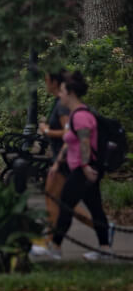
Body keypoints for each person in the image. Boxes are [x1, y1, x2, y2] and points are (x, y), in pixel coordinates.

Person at [30, 71, 114, 261]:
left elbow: (85, 143)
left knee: (66, 206)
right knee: (94, 208)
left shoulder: (81, 116)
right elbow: (72, 141)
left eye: (62, 91)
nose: (60, 95)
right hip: (82, 168)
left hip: (83, 169)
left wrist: (84, 167)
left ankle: (56, 247)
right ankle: (105, 248)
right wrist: (59, 160)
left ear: (70, 93)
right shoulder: (76, 115)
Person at [37, 70, 95, 232]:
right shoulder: (59, 103)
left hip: (65, 159)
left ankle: (52, 238)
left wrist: (47, 131)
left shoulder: (61, 107)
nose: (45, 82)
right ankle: (102, 228)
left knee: (56, 198)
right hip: (62, 158)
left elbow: (68, 133)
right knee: (62, 199)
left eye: (46, 79)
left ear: (55, 82)